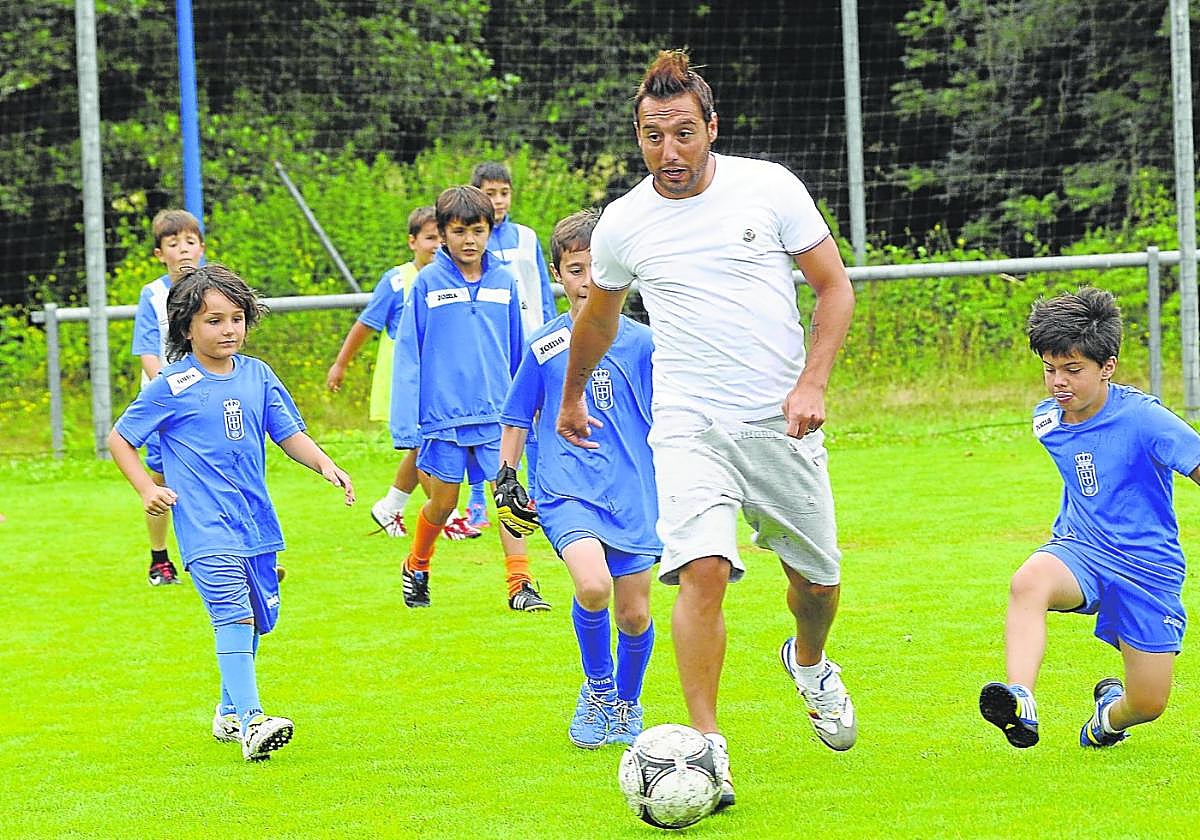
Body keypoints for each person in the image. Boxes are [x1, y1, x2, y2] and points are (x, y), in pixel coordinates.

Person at [556, 50, 857, 808]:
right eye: (653, 135)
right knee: (703, 570)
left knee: (817, 586)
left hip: (780, 424)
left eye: (683, 133)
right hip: (689, 423)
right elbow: (600, 320)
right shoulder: (624, 224)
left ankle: (809, 661)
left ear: (711, 128)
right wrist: (573, 395)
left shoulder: (770, 187)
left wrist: (812, 382)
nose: (669, 151)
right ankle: (708, 749)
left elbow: (834, 289)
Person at [108, 264, 356, 762]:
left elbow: (288, 433)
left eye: (236, 319)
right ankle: (252, 720)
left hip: (255, 522)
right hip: (204, 526)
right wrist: (146, 489)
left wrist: (325, 464)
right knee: (233, 614)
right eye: (214, 320)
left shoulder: (257, 375)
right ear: (187, 328)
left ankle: (227, 711)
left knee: (258, 619)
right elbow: (120, 438)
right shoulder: (173, 384)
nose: (228, 330)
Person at [979, 287, 1200, 749]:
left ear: (1108, 367)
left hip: (1149, 569)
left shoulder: (1146, 420)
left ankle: (1108, 718)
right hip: (1082, 551)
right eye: (1049, 369)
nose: (1058, 382)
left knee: (1148, 703)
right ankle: (1021, 698)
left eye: (1073, 370)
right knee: (1028, 581)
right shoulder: (1048, 420)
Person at [497, 209, 658, 748]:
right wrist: (505, 474)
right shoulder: (545, 344)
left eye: (598, 268)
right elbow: (518, 414)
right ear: (557, 274)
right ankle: (598, 689)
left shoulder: (644, 344)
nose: (588, 281)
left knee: (634, 613)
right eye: (575, 269)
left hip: (633, 492)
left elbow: (670, 417)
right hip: (565, 487)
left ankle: (627, 703)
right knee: (592, 585)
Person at [391, 185, 551, 612]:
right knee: (443, 504)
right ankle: (417, 564)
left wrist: (530, 407)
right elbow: (408, 355)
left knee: (508, 497)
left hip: (497, 416)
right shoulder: (427, 284)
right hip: (442, 419)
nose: (469, 240)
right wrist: (405, 425)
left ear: (489, 230)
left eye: (478, 231)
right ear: (443, 233)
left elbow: (518, 352)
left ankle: (520, 585)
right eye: (459, 231)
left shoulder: (504, 282)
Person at [325, 206, 480, 542]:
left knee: (422, 445)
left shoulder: (457, 277)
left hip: (439, 383)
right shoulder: (397, 280)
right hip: (405, 381)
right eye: (429, 238)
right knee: (424, 446)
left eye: (440, 237)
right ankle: (448, 515)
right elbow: (366, 324)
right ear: (412, 242)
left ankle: (390, 506)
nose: (436, 245)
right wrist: (341, 364)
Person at [469, 161, 558, 529]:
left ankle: (537, 493)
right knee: (487, 422)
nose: (499, 200)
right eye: (490, 193)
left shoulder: (526, 237)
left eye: (504, 192)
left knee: (536, 415)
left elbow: (543, 292)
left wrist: (552, 334)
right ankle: (478, 501)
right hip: (493, 346)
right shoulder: (474, 240)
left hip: (531, 342)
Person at [129, 208, 205, 586]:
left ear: (202, 248)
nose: (184, 250)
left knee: (215, 476)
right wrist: (173, 390)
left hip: (207, 405)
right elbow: (147, 352)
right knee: (160, 483)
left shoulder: (213, 289)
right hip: (167, 407)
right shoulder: (154, 295)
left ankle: (234, 556)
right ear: (160, 254)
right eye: (174, 244)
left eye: (190, 242)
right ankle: (159, 559)